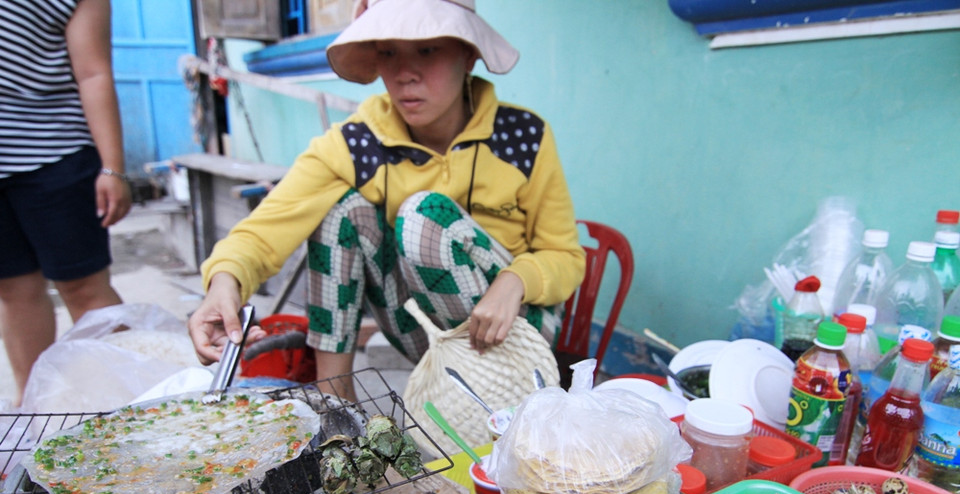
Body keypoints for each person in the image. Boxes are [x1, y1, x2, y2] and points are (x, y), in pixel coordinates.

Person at [188, 0, 585, 400]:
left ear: (467, 55)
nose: (404, 74)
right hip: (429, 335)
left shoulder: (523, 137)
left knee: (423, 217)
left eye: (426, 50)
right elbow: (268, 227)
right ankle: (336, 402)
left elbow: (565, 256)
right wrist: (224, 284)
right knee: (341, 211)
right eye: (389, 52)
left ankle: (495, 393)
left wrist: (515, 280)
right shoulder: (357, 143)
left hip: (515, 331)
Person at [0, 0, 132, 407]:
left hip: (56, 153)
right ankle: (34, 407)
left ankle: (133, 402)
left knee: (84, 287)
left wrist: (112, 168)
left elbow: (93, 73)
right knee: (13, 289)